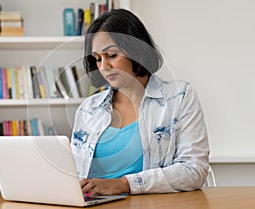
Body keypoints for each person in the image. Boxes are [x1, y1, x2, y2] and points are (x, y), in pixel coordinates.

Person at [71, 9, 209, 196]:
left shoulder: (179, 97)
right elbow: (74, 173)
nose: (104, 66)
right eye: (97, 59)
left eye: (111, 55)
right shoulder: (88, 109)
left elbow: (194, 170)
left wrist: (125, 184)